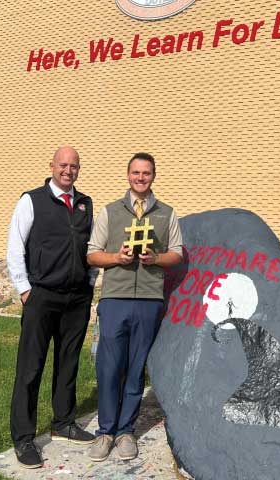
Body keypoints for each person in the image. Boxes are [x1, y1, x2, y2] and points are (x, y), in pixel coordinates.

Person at [87, 152, 183, 462]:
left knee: (135, 367)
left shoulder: (166, 213)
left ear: (153, 176)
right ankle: (106, 431)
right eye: (136, 172)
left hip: (149, 301)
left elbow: (177, 253)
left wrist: (156, 259)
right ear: (128, 175)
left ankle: (126, 431)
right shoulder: (110, 212)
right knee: (109, 367)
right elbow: (92, 254)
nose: (141, 178)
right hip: (115, 298)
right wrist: (117, 258)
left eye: (146, 173)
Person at [7, 146, 96, 469]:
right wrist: (25, 290)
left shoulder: (85, 203)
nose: (68, 171)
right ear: (52, 166)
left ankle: (63, 422)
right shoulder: (31, 200)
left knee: (68, 362)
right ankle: (23, 438)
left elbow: (91, 246)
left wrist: (90, 282)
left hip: (76, 298)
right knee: (30, 368)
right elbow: (15, 246)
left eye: (73, 166)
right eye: (63, 165)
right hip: (41, 296)